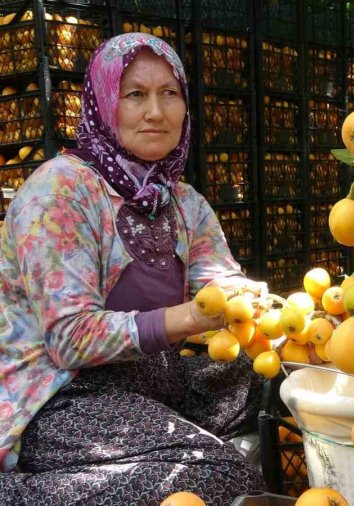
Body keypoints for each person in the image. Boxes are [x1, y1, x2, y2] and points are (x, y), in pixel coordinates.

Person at [0, 33, 263, 504]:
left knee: (264, 379)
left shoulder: (182, 201)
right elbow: (69, 338)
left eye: (170, 94)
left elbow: (218, 280)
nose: (156, 112)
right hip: (61, 396)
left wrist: (256, 302)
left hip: (146, 378)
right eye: (135, 95)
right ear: (103, 103)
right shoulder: (59, 193)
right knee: (219, 474)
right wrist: (190, 318)